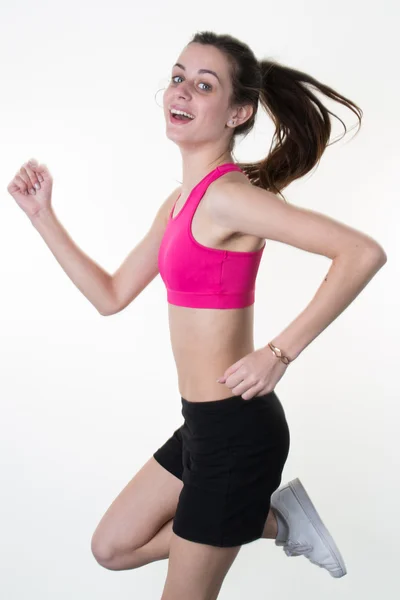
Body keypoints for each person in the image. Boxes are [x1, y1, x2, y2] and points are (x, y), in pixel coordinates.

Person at [7, 30, 387, 600]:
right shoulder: (180, 200)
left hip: (238, 434)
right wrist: (43, 217)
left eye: (204, 85)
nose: (181, 91)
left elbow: (363, 252)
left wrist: (279, 353)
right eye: (179, 77)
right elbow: (110, 295)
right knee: (112, 546)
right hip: (203, 427)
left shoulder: (229, 197)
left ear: (238, 112)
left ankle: (270, 520)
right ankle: (276, 522)